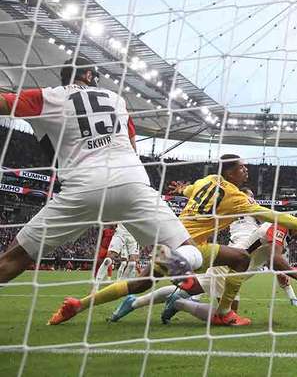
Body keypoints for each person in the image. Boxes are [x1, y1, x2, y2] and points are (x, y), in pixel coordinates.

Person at [0, 58, 209, 323]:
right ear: (88, 75)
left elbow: (5, 103)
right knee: (191, 252)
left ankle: (165, 259)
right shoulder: (117, 99)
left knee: (16, 257)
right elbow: (132, 146)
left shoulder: (49, 96)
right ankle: (171, 261)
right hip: (131, 182)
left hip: (83, 186)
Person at [50, 153, 297, 326]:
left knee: (140, 282)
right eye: (243, 168)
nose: (246, 171)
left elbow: (189, 192)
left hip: (168, 239)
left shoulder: (206, 181)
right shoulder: (234, 195)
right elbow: (273, 216)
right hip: (189, 247)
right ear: (231, 172)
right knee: (241, 258)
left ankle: (80, 304)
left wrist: (183, 188)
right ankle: (222, 312)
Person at [109, 214, 297, 324]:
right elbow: (274, 256)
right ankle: (179, 303)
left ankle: (134, 302)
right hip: (228, 268)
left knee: (194, 287)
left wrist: (284, 277)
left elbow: (268, 256)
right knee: (225, 318)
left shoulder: (276, 233)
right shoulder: (277, 227)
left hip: (232, 269)